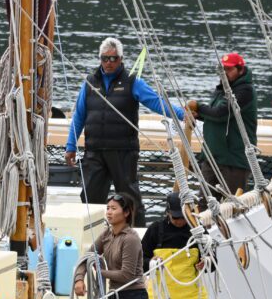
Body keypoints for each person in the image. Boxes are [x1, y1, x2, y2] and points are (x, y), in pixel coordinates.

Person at [64, 37, 185, 227]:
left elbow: (155, 101)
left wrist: (182, 114)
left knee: (130, 197)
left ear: (121, 59)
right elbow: (79, 115)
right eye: (105, 58)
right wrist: (71, 145)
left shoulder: (131, 81)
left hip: (123, 151)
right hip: (95, 150)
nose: (109, 63)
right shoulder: (89, 82)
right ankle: (92, 238)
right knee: (90, 197)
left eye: (114, 59)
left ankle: (138, 238)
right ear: (100, 59)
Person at [187, 52, 258, 199]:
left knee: (230, 205)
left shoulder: (245, 91)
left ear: (240, 69)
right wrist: (198, 115)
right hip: (213, 157)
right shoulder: (222, 89)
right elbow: (214, 114)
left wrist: (198, 107)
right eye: (223, 69)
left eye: (229, 69)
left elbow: (222, 114)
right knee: (204, 202)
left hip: (233, 161)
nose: (225, 73)